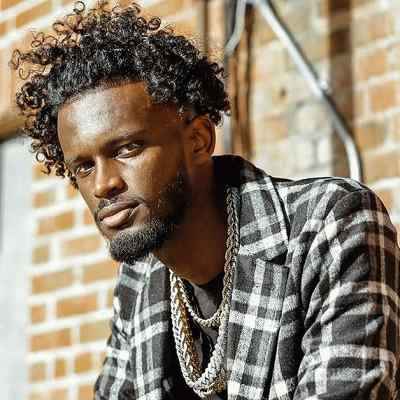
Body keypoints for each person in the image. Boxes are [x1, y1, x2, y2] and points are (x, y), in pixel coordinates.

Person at [10, 1, 400, 399]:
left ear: (198, 140)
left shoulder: (329, 224)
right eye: (84, 167)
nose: (103, 184)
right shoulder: (139, 279)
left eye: (128, 149)